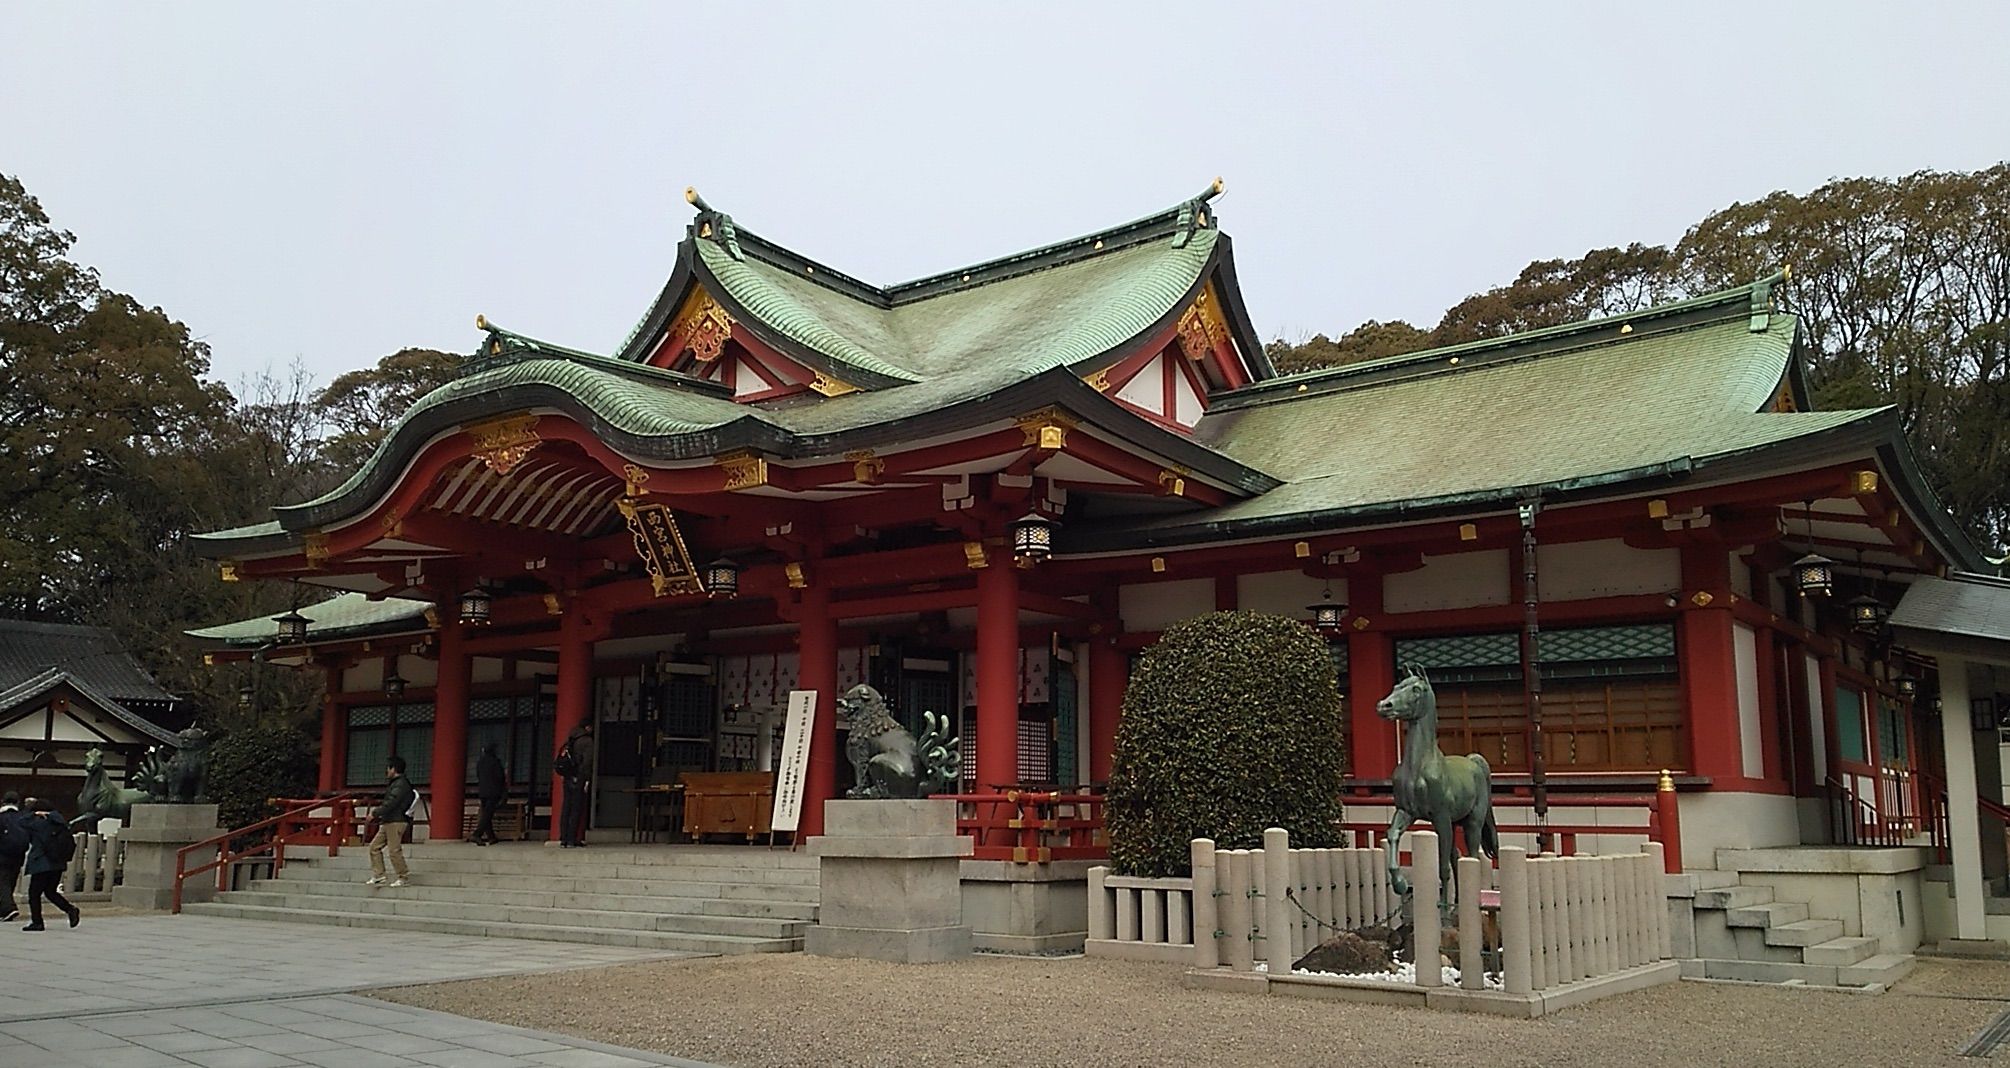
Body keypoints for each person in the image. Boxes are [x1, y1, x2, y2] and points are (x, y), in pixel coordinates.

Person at [19, 798, 78, 931]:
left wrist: (33, 814)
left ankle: (37, 922)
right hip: (57, 862)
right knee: (50, 891)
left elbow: (21, 821)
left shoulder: (38, 823)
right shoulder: (60, 821)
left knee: (34, 893)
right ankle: (70, 909)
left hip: (41, 862)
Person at [367, 756, 416, 887]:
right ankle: (379, 875)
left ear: (393, 769)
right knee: (374, 847)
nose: (387, 771)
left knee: (394, 850)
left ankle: (403, 876)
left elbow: (391, 802)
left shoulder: (400, 784)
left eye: (388, 768)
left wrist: (375, 813)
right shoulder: (397, 784)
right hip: (389, 820)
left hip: (396, 820)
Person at [557, 723, 594, 848]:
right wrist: (586, 779)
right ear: (588, 728)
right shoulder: (587, 741)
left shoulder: (570, 740)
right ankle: (572, 838)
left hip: (567, 777)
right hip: (579, 777)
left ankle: (563, 838)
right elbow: (587, 762)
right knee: (576, 808)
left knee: (566, 807)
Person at [473, 743, 506, 846]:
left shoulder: (480, 762)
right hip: (493, 791)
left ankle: (491, 837)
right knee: (488, 814)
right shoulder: (495, 762)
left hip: (482, 791)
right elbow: (500, 777)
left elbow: (478, 775)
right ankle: (477, 834)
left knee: (486, 813)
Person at [0, 791, 25, 923]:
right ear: (18, 802)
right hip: (18, 855)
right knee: (11, 880)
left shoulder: (1, 817)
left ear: (3, 801)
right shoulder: (22, 817)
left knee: (2, 882)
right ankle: (4, 909)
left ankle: (9, 908)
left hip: (2, 855)